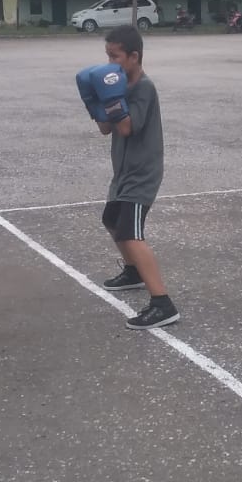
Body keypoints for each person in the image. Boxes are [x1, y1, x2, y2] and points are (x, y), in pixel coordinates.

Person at [88, 26, 178, 329]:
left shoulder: (143, 88)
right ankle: (133, 271)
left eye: (115, 57)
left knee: (130, 231)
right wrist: (94, 102)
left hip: (142, 171)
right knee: (111, 219)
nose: (110, 63)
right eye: (107, 56)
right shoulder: (119, 84)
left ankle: (162, 304)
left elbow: (127, 127)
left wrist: (111, 99)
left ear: (134, 56)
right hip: (123, 170)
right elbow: (106, 129)